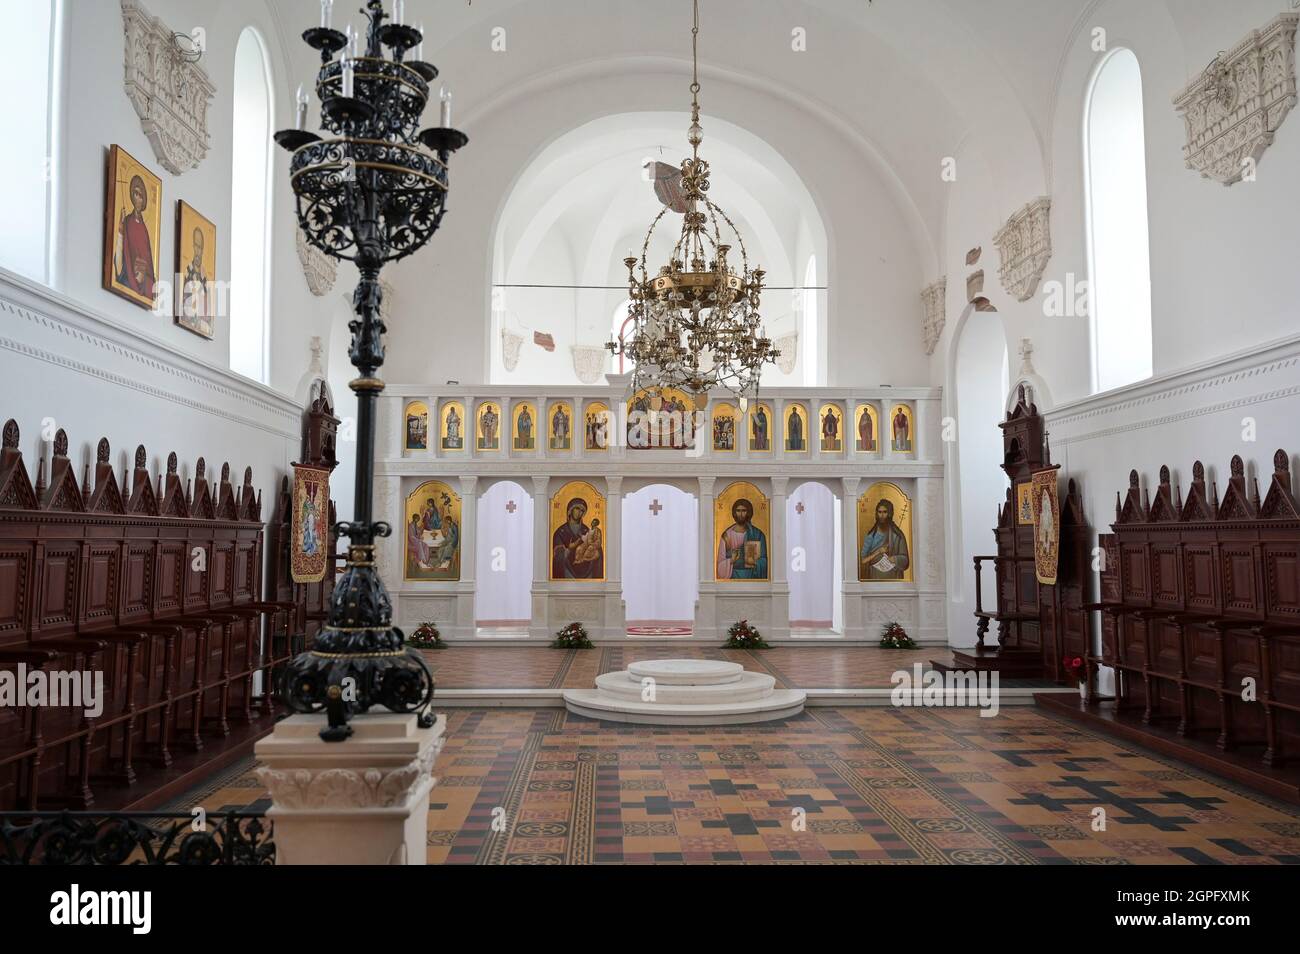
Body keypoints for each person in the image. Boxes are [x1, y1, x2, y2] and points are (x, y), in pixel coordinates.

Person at [114, 174, 156, 300]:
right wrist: (121, 232)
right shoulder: (127, 221)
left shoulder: (145, 230)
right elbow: (122, 255)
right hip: (128, 279)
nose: (138, 198)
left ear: (144, 200)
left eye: (141, 195)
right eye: (135, 193)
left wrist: (144, 278)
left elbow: (149, 264)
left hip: (144, 283)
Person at [716, 498, 768, 580]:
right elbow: (719, 566)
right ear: (734, 512)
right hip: (733, 578)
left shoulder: (758, 534)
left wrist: (754, 562)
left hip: (752, 578)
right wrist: (731, 560)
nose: (740, 514)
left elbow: (765, 562)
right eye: (738, 510)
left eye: (744, 511)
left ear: (748, 513)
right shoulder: (726, 536)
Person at [552, 498, 603, 579]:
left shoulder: (587, 530)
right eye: (577, 508)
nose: (580, 512)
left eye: (582, 510)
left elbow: (598, 549)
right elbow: (557, 558)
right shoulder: (560, 532)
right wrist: (569, 549)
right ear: (570, 510)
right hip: (567, 574)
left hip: (587, 574)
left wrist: (594, 549)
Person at [861, 498, 910, 580]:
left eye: (885, 512)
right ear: (876, 514)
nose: (882, 515)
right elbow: (863, 560)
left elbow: (905, 560)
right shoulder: (871, 536)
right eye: (879, 512)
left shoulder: (897, 535)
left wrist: (895, 559)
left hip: (894, 576)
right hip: (875, 576)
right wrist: (878, 552)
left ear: (890, 513)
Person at [180, 226, 210, 325]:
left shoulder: (204, 277)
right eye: (197, 247)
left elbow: (207, 310)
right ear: (193, 246)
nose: (198, 252)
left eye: (200, 248)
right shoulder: (188, 271)